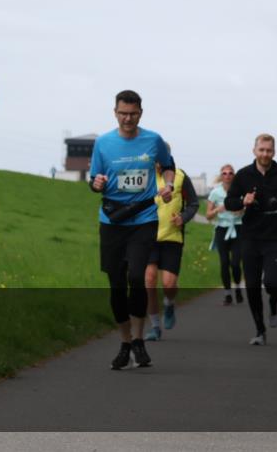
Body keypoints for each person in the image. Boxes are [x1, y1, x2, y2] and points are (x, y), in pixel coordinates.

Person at [89, 90, 175, 369]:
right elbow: (94, 179)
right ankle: (125, 342)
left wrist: (169, 185)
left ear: (141, 113)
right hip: (112, 221)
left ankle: (139, 339)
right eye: (123, 113)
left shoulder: (153, 140)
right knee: (116, 284)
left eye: (133, 113)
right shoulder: (103, 143)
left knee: (137, 276)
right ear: (115, 112)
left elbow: (169, 166)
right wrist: (97, 183)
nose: (128, 118)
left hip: (144, 218)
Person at [224, 134, 277, 346]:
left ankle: (274, 300)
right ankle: (260, 330)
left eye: (269, 150)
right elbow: (230, 202)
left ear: (274, 152)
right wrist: (243, 200)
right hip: (249, 237)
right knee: (251, 286)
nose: (265, 154)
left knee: (271, 282)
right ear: (254, 151)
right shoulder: (243, 175)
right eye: (261, 150)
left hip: (275, 236)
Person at [145, 160, 199, 341]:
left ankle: (169, 303)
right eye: (155, 159)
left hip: (172, 238)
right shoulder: (145, 176)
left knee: (168, 284)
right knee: (150, 281)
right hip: (147, 237)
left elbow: (193, 204)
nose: (158, 163)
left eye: (161, 158)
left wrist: (183, 218)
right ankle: (154, 326)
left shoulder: (180, 176)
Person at [207, 165, 244, 305]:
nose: (227, 175)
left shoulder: (240, 191)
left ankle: (238, 288)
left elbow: (245, 209)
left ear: (234, 176)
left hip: (238, 228)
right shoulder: (215, 193)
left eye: (230, 173)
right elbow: (208, 216)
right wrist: (217, 209)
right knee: (224, 263)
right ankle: (228, 294)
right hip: (221, 229)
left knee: (235, 263)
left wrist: (239, 211)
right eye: (224, 173)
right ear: (221, 176)